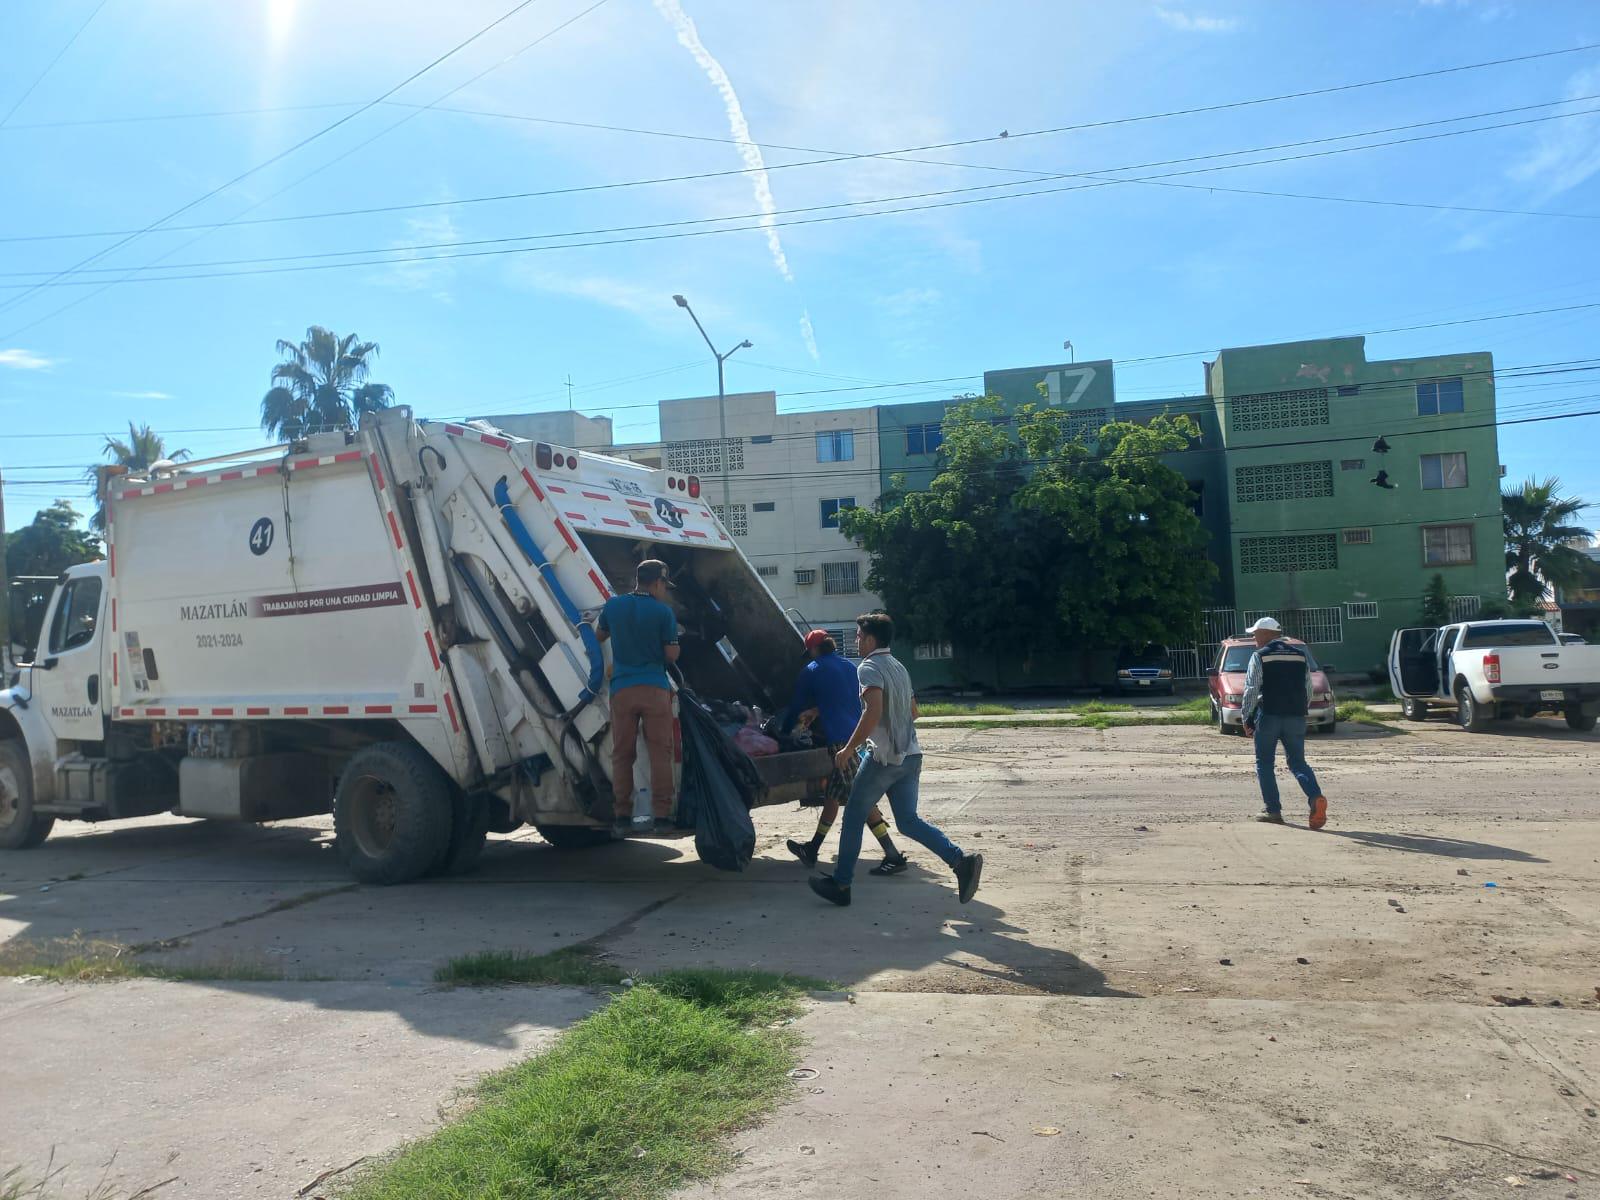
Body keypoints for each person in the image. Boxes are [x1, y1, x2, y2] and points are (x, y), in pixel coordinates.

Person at [808, 611, 983, 907]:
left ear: (872, 639)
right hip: (911, 755)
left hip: (884, 760)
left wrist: (850, 748)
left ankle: (841, 884)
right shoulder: (899, 667)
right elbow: (914, 712)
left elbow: (872, 711)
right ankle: (960, 861)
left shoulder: (868, 667)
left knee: (852, 815)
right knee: (908, 821)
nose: (856, 641)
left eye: (860, 636)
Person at [782, 629, 907, 875]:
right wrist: (820, 709)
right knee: (833, 795)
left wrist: (784, 731)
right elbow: (847, 699)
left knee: (861, 798)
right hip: (859, 737)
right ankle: (812, 849)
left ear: (813, 650)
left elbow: (797, 704)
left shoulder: (812, 670)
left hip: (841, 744)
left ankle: (892, 854)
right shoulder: (850, 667)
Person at [596, 559, 679, 830]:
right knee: (660, 753)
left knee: (622, 754)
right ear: (656, 583)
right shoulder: (663, 612)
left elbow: (599, 636)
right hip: (654, 689)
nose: (665, 591)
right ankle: (663, 817)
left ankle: (622, 816)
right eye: (664, 586)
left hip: (622, 690)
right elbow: (670, 655)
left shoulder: (613, 606)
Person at [1240, 616, 1330, 829]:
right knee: (1298, 762)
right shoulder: (1300, 656)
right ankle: (1315, 797)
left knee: (1264, 763)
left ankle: (1273, 810)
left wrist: (1247, 717)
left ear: (1266, 634)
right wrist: (1299, 709)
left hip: (1269, 715)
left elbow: (1251, 689)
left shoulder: (1259, 656)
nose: (1253, 638)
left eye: (1255, 634)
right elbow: (1308, 688)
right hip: (1296, 717)